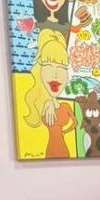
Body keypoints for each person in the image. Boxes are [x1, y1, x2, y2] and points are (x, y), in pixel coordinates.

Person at [23, 29, 75, 158]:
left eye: (62, 67)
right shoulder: (40, 104)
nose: (55, 74)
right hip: (50, 150)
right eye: (48, 64)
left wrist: (65, 131)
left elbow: (75, 123)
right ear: (39, 68)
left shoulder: (65, 106)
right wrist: (48, 103)